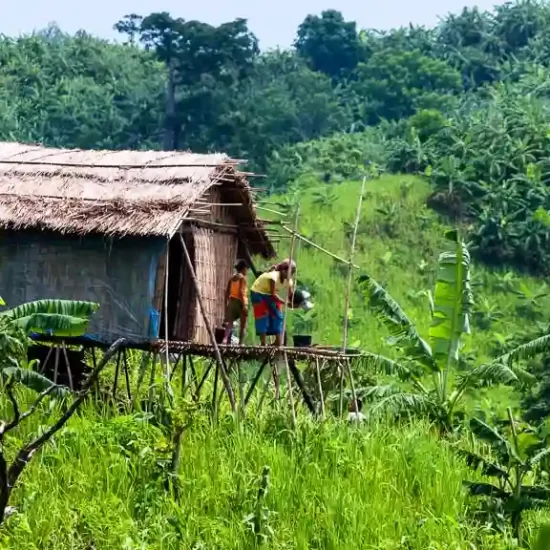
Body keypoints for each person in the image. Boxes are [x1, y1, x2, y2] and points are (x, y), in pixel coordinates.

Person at [250, 259, 296, 346]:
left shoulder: (289, 281)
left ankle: (278, 342)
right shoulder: (274, 276)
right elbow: (273, 295)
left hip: (269, 295)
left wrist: (295, 302)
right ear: (283, 271)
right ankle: (263, 343)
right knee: (263, 315)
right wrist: (285, 303)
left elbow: (291, 295)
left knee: (278, 315)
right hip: (258, 292)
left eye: (293, 273)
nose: (291, 275)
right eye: (290, 272)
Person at [223, 259, 249, 345]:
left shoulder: (232, 278)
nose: (247, 271)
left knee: (229, 324)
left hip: (231, 301)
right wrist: (244, 305)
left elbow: (227, 292)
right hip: (240, 302)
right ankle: (241, 343)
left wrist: (226, 303)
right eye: (246, 269)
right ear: (243, 268)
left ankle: (226, 340)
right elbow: (241, 292)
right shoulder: (242, 278)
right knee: (243, 325)